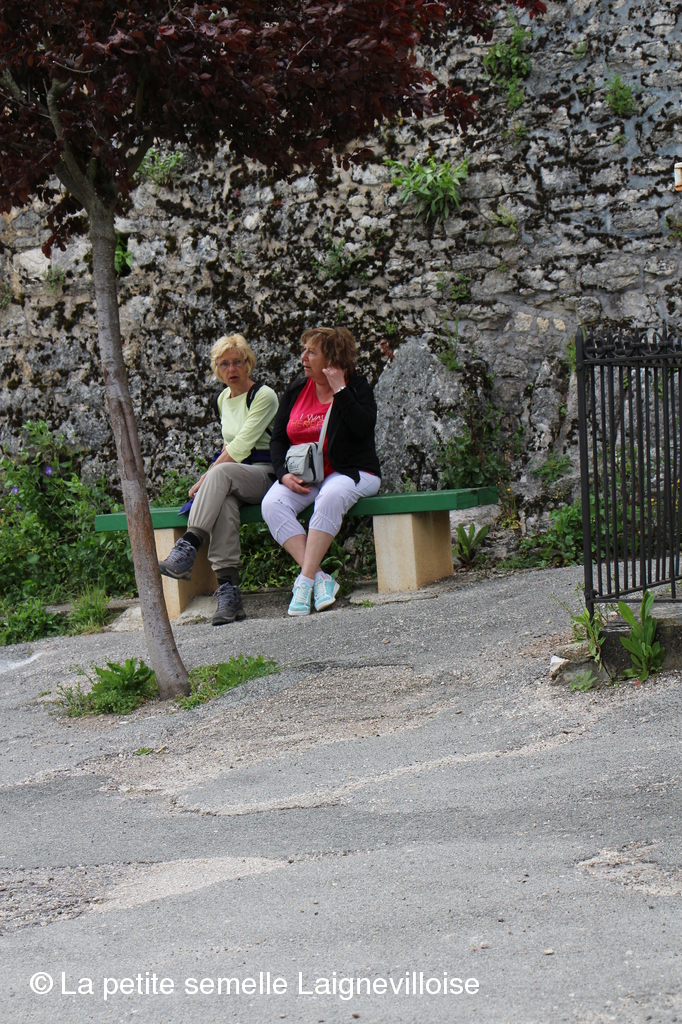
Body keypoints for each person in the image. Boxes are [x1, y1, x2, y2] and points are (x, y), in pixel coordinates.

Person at [158, 334, 278, 626]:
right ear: (217, 369)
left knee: (219, 473)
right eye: (224, 364)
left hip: (264, 474)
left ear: (248, 363)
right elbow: (229, 448)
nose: (232, 369)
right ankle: (229, 594)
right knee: (224, 503)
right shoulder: (222, 399)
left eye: (238, 362)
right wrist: (211, 475)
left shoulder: (263, 395)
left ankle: (188, 546)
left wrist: (206, 477)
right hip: (232, 478)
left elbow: (241, 447)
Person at [262, 326, 381, 616]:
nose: (303, 357)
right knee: (272, 503)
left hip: (353, 472)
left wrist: (341, 390)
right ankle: (320, 578)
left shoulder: (356, 387)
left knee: (331, 495)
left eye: (311, 352)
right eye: (304, 351)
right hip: (309, 476)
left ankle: (304, 583)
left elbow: (364, 427)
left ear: (332, 358)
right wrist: (283, 474)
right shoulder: (296, 390)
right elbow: (278, 439)